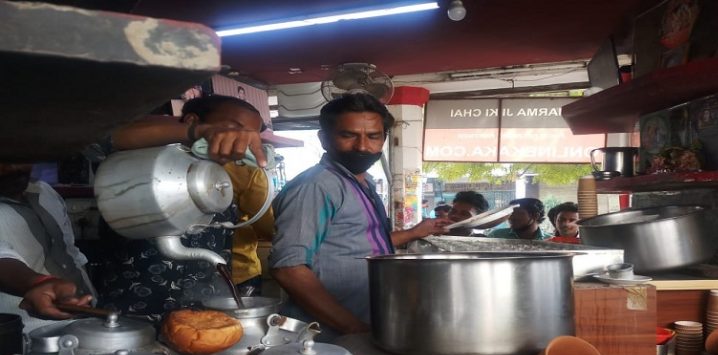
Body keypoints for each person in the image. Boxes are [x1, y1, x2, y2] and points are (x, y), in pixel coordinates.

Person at [270, 93, 450, 340]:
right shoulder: (317, 186)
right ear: (324, 139)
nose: (363, 146)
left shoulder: (362, 183)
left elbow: (358, 242)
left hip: (359, 325)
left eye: (373, 136)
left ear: (383, 139)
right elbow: (288, 267)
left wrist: (416, 232)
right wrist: (354, 328)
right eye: (348, 135)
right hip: (324, 337)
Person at [94, 95, 270, 320]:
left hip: (203, 309)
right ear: (192, 120)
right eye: (234, 129)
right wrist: (197, 132)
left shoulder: (221, 176)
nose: (240, 141)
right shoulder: (144, 156)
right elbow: (99, 139)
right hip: (135, 309)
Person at [0, 163, 96, 330]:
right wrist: (38, 282)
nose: (16, 167)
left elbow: (70, 251)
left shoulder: (45, 191)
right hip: (27, 335)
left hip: (87, 321)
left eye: (21, 157)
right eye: (5, 160)